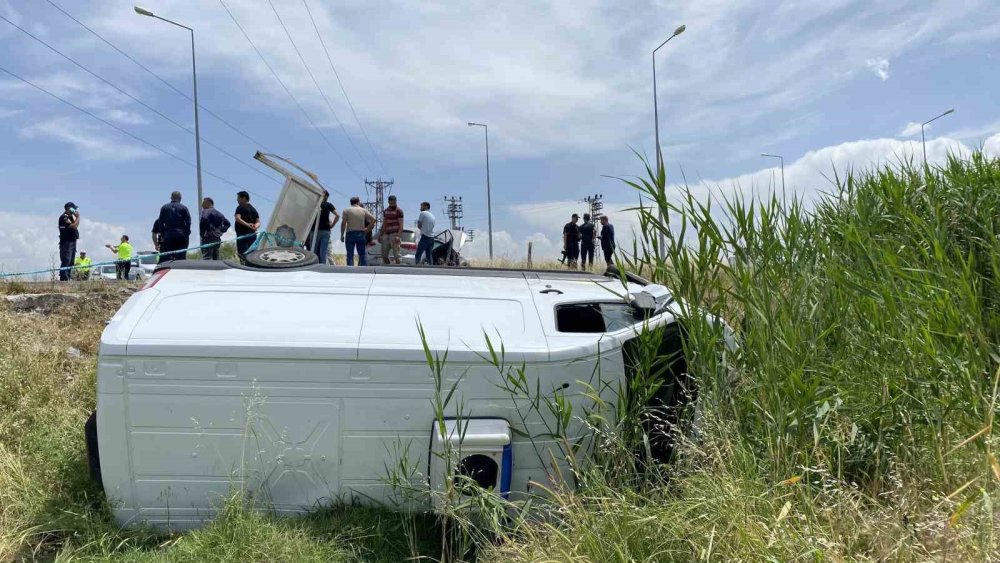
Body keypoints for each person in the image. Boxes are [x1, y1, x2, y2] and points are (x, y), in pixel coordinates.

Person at [340, 196, 375, 266]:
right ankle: (364, 271)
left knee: (350, 254)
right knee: (362, 254)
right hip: (361, 233)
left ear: (351, 203)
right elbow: (373, 219)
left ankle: (350, 271)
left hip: (350, 233)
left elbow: (343, 224)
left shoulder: (346, 210)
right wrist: (367, 229)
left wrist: (342, 235)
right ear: (358, 202)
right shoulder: (363, 210)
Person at [157, 191, 191, 263]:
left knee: (167, 258)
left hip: (168, 235)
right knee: (181, 258)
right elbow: (188, 222)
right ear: (180, 198)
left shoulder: (164, 207)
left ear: (171, 198)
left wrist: (163, 234)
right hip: (181, 235)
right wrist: (186, 233)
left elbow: (160, 222)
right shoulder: (184, 208)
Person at [313, 190, 339, 264]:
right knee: (323, 252)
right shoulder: (328, 205)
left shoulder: (315, 204)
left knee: (314, 252)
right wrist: (332, 225)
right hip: (325, 230)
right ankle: (323, 269)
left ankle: (314, 268)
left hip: (314, 230)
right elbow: (337, 215)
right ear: (327, 197)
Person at [234, 190, 260, 264]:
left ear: (244, 198)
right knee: (252, 255)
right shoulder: (254, 209)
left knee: (243, 256)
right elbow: (258, 222)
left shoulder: (240, 207)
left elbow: (238, 218)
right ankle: (252, 269)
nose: (237, 200)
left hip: (243, 236)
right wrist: (255, 226)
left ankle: (245, 271)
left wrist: (249, 225)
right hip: (252, 236)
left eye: (238, 198)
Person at [378, 195, 404, 265]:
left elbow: (401, 225)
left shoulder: (399, 211)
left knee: (397, 255)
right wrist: (380, 235)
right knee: (384, 255)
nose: (392, 204)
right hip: (386, 234)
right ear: (388, 202)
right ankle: (388, 267)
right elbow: (384, 224)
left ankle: (398, 269)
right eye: (391, 203)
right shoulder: (386, 211)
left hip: (395, 234)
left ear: (396, 202)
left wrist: (398, 236)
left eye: (394, 203)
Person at [58, 202, 80, 281]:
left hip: (72, 241)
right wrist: (78, 217)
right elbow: (74, 226)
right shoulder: (64, 217)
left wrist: (75, 217)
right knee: (66, 259)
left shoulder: (70, 217)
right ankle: (64, 277)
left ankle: (68, 276)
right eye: (73, 208)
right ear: (69, 208)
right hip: (67, 242)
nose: (75, 210)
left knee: (71, 260)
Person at [414, 201, 436, 265]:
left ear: (426, 206)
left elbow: (419, 225)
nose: (420, 208)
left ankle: (416, 267)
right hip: (432, 238)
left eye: (422, 206)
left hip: (425, 237)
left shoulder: (422, 213)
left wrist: (422, 228)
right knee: (429, 255)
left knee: (418, 254)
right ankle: (431, 268)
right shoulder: (433, 216)